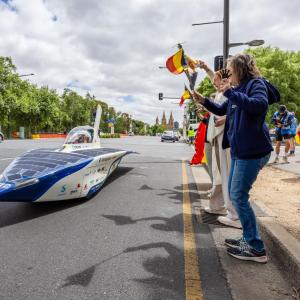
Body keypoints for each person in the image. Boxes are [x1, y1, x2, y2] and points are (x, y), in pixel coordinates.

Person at [193, 54, 273, 263]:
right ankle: (249, 238)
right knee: (237, 195)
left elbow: (259, 105)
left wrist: (228, 90)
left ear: (239, 69)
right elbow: (222, 109)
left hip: (253, 151)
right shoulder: (236, 91)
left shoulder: (256, 84)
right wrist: (204, 101)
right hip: (240, 151)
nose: (227, 73)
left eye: (229, 69)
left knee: (238, 196)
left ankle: (256, 248)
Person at [198, 61, 241, 228]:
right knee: (219, 175)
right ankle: (218, 206)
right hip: (216, 138)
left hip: (226, 140)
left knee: (227, 175)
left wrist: (227, 118)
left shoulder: (230, 93)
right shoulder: (220, 93)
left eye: (217, 80)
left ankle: (232, 212)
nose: (214, 83)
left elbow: (239, 111)